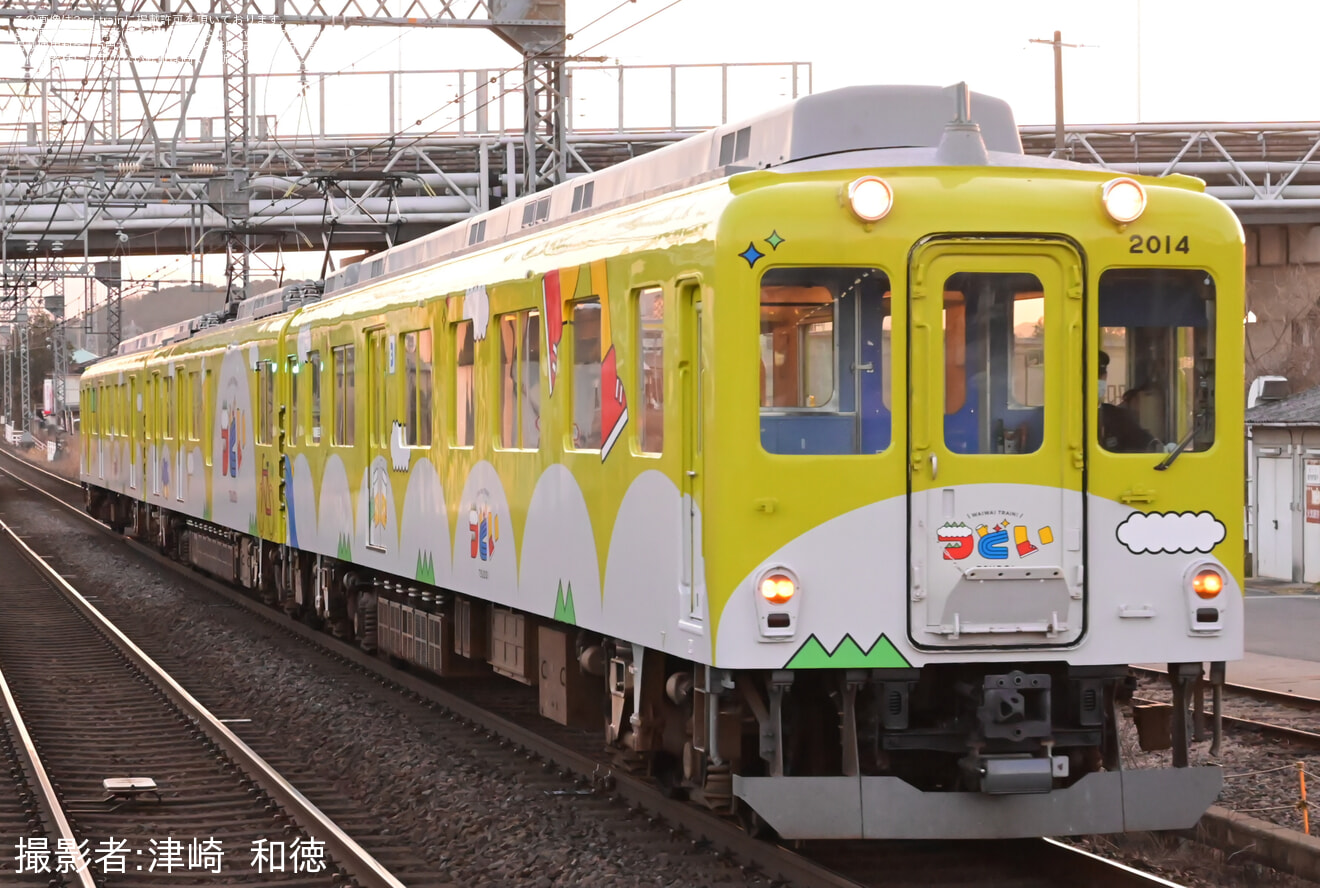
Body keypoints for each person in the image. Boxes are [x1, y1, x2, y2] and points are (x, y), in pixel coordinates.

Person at [1098, 350, 1160, 452]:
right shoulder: (1067, 417)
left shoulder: (1118, 417)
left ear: (1105, 377)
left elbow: (1146, 443)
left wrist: (1161, 447)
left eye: (1099, 377)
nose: (1097, 382)